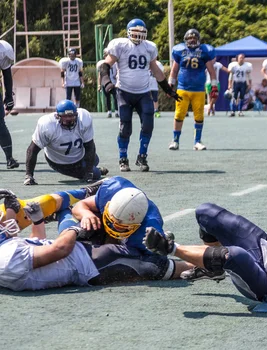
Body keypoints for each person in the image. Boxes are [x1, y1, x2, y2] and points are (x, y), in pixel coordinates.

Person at [0, 200, 194, 292]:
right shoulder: (6, 258)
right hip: (89, 266)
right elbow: (58, 250)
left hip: (83, 255)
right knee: (154, 266)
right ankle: (203, 262)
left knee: (100, 219)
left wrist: (37, 221)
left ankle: (170, 249)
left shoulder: (6, 251)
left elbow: (39, 244)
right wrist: (74, 231)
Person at [99, 19, 181, 172]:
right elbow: (105, 65)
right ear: (128, 32)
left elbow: (156, 70)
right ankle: (123, 158)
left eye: (141, 33)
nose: (138, 36)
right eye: (135, 32)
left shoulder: (149, 47)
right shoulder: (121, 45)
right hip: (124, 91)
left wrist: (168, 90)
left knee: (148, 124)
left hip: (143, 93)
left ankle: (142, 156)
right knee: (125, 127)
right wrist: (106, 82)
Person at [24, 100, 108, 185]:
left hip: (79, 154)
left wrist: (89, 173)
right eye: (65, 117)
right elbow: (32, 150)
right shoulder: (47, 125)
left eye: (71, 116)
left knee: (95, 160)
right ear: (57, 116)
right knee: (96, 174)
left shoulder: (83, 119)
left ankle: (91, 168)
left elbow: (90, 146)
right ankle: (96, 170)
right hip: (60, 162)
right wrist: (29, 175)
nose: (69, 120)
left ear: (76, 115)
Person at [168, 29, 217, 151]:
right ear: (186, 39)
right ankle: (175, 140)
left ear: (199, 39)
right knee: (179, 114)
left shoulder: (205, 51)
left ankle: (197, 141)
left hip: (198, 89)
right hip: (183, 88)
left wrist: (214, 86)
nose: (192, 40)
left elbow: (211, 71)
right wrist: (170, 85)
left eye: (194, 38)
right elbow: (174, 70)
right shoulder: (180, 51)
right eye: (190, 38)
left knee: (199, 116)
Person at [0, 39, 19, 169]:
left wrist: (8, 95)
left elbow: (6, 73)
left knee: (0, 124)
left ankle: (9, 158)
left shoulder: (3, 50)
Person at [96, 49, 118, 118]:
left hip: (114, 83)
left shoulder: (115, 63)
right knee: (107, 98)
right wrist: (99, 85)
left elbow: (118, 72)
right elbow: (100, 75)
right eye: (106, 55)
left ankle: (117, 111)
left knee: (116, 97)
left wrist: (117, 77)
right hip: (105, 83)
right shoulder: (102, 63)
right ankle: (109, 111)